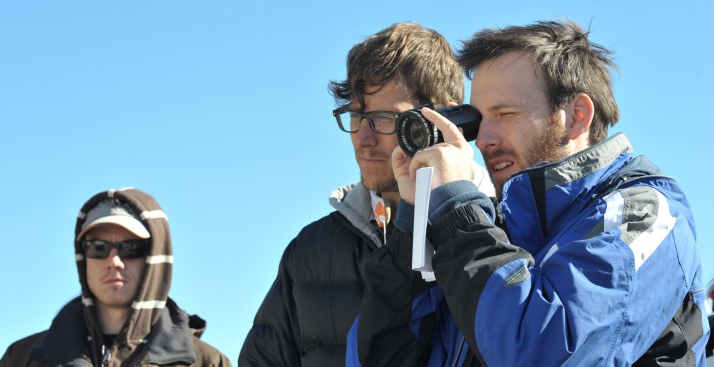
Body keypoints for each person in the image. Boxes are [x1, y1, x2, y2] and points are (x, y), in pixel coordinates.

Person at [347, 20, 708, 366]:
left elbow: (540, 352)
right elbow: (375, 358)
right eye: (477, 120)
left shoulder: (644, 214)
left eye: (505, 114)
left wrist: (459, 213)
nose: (483, 140)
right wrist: (414, 223)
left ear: (576, 116)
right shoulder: (491, 231)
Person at [239, 22, 494, 366]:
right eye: (356, 115)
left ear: (447, 118)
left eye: (385, 118)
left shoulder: (503, 235)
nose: (363, 138)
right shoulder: (311, 250)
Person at [0, 187, 231, 366]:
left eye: (131, 248)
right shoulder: (21, 359)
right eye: (98, 247)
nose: (114, 261)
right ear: (83, 257)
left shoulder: (209, 363)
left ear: (156, 257)